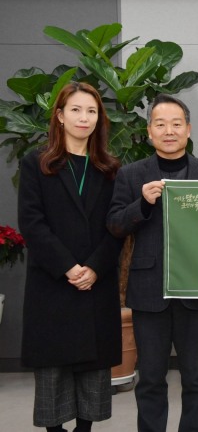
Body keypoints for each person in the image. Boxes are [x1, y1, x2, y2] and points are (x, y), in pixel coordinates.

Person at [107, 94, 198, 432]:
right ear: (149, 131)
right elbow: (114, 224)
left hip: (197, 289)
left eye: (176, 124)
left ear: (188, 129)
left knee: (197, 377)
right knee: (151, 378)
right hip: (148, 292)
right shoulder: (131, 175)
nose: (168, 131)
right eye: (160, 124)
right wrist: (141, 204)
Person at [18, 82, 122, 432]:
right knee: (54, 373)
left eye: (91, 111)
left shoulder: (109, 167)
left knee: (92, 374)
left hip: (96, 282)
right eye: (76, 110)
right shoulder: (36, 162)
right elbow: (32, 224)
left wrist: (94, 267)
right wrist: (69, 268)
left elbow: (116, 226)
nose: (84, 118)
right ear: (60, 116)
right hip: (53, 284)